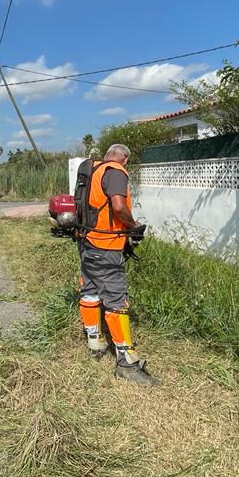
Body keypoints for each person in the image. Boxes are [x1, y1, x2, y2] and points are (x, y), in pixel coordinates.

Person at [77, 144, 157, 386]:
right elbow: (119, 207)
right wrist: (133, 226)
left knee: (90, 291)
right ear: (124, 157)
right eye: (127, 161)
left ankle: (95, 342)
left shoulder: (94, 170)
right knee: (116, 299)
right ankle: (126, 362)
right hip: (107, 245)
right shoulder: (116, 171)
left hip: (87, 241)